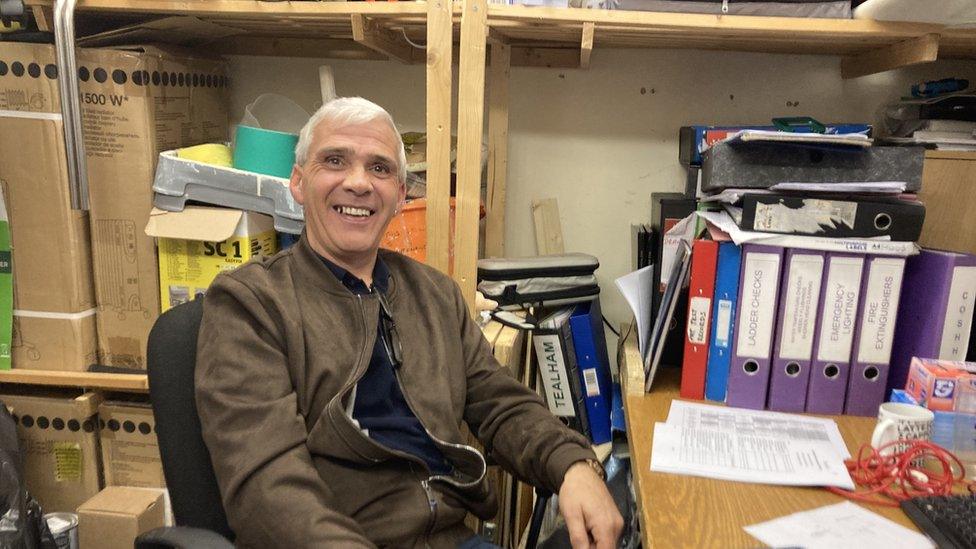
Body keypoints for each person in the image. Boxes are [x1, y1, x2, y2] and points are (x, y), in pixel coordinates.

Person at [196, 97, 623, 548]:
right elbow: (268, 488)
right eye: (335, 160)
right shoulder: (250, 305)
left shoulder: (434, 295)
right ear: (299, 182)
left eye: (379, 168)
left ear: (401, 196)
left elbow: (502, 405)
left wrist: (574, 465)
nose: (358, 182)